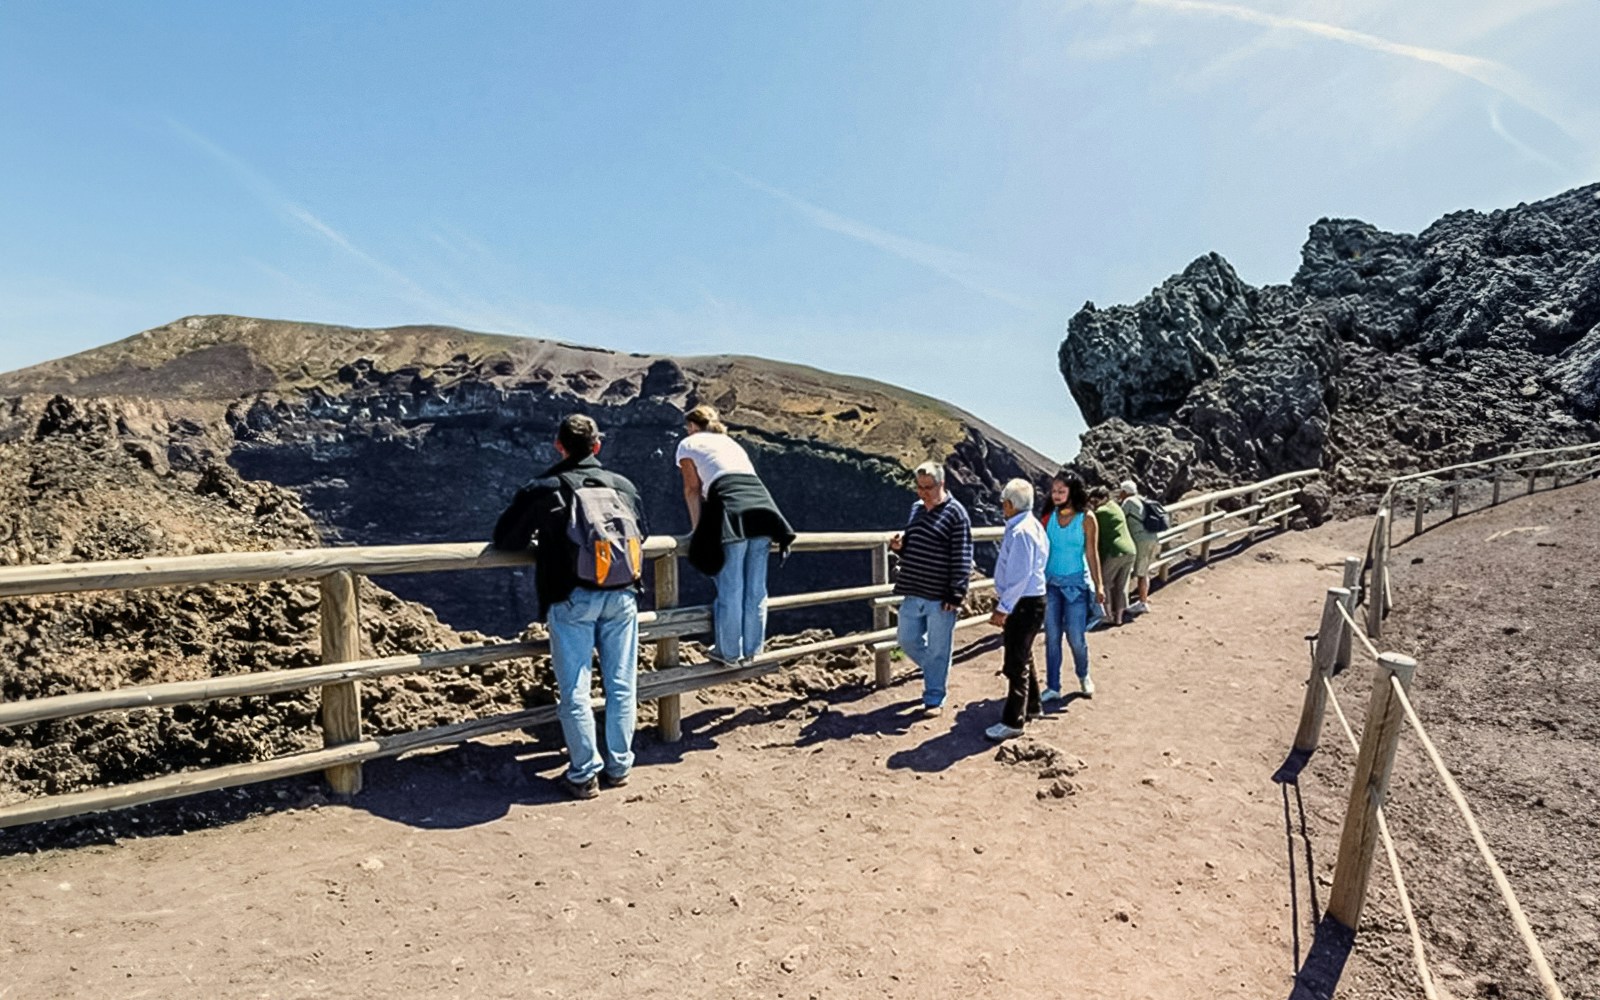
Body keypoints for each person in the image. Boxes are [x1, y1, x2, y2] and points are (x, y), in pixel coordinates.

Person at [492, 414, 648, 800]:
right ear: (597, 446)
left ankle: (584, 774)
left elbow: (506, 540)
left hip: (571, 597)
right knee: (621, 683)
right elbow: (643, 533)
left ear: (559, 446)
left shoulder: (544, 488)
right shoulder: (623, 487)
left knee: (575, 688)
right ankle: (619, 765)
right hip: (623, 594)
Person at [678, 404, 795, 665]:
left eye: (688, 427)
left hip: (732, 508)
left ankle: (729, 652)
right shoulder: (731, 443)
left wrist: (697, 530)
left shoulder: (689, 443)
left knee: (731, 586)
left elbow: (692, 489)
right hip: (763, 507)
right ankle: (752, 651)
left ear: (693, 426)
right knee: (755, 588)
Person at [890, 461, 973, 716]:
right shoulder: (916, 509)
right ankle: (936, 671)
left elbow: (963, 554)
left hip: (940, 595)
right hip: (913, 588)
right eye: (919, 487)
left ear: (942, 484)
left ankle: (934, 697)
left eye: (928, 487)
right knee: (906, 639)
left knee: (939, 647)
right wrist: (900, 547)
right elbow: (913, 541)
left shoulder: (956, 514)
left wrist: (956, 592)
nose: (923, 492)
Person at [985, 478, 1049, 741]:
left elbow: (1018, 576)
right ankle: (1033, 706)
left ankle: (1014, 720)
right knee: (1024, 654)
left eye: (1004, 502)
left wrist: (1003, 608)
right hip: (1032, 601)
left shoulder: (1020, 532)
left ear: (1010, 504)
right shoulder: (1031, 526)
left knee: (1015, 662)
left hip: (1023, 603)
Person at [1039, 470, 1105, 700]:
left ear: (1072, 491)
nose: (1056, 495)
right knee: (1052, 635)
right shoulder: (1048, 517)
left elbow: (1092, 552)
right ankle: (1053, 686)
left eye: (1061, 491)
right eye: (1054, 491)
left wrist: (1099, 585)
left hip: (1076, 584)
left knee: (1076, 636)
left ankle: (1083, 674)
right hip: (1051, 584)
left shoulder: (1086, 518)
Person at [1089, 485, 1137, 627]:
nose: (1094, 504)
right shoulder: (1116, 506)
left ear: (1102, 499)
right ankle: (1119, 618)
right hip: (1130, 549)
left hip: (1116, 551)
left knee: (1104, 583)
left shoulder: (1100, 512)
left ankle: (1108, 615)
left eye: (1094, 501)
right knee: (1122, 585)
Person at [1117, 479, 1158, 615]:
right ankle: (1143, 600)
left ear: (1124, 492)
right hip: (1152, 537)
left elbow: (1120, 518)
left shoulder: (1128, 502)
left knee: (1138, 571)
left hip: (1140, 540)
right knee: (1144, 569)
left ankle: (1142, 602)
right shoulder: (1142, 499)